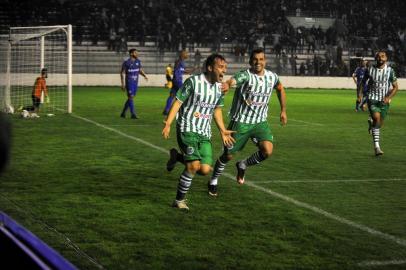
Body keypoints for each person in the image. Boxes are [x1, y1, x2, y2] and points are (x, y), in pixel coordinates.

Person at [208, 48, 287, 196]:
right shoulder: (246, 75)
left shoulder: (272, 77)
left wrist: (283, 110)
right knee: (228, 156)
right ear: (251, 61)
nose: (258, 62)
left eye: (261, 59)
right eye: (255, 59)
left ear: (265, 61)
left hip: (260, 123)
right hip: (240, 122)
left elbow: (280, 89)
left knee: (267, 150)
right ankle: (213, 180)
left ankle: (243, 164)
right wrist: (227, 84)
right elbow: (234, 80)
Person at [162, 53, 235, 210]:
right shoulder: (194, 82)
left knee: (205, 169)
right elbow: (178, 101)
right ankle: (179, 200)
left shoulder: (219, 88)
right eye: (221, 67)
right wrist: (168, 122)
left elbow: (217, 110)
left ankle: (177, 157)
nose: (224, 70)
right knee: (193, 166)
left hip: (204, 133)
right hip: (187, 128)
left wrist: (222, 130)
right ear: (210, 68)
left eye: (225, 68)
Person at [361, 50, 399, 156]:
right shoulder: (370, 69)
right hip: (372, 98)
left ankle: (371, 124)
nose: (380, 58)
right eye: (378, 56)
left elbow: (396, 87)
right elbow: (363, 82)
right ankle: (377, 147)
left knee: (379, 124)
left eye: (382, 56)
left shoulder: (390, 71)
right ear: (375, 58)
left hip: (384, 101)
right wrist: (360, 96)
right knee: (377, 119)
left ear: (386, 58)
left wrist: (388, 97)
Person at [162, 49, 193, 115]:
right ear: (182, 54)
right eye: (186, 53)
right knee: (185, 94)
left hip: (176, 80)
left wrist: (188, 71)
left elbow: (180, 70)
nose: (187, 55)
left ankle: (166, 110)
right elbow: (176, 70)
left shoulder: (181, 62)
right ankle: (185, 110)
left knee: (172, 96)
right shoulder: (179, 61)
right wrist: (176, 78)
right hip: (178, 80)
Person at [120, 48, 148, 119]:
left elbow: (139, 70)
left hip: (135, 83)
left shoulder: (138, 61)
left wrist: (144, 75)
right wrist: (123, 84)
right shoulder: (126, 63)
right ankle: (133, 114)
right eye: (135, 53)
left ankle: (123, 113)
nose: (137, 54)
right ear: (131, 54)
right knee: (131, 97)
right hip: (129, 82)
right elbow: (122, 73)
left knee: (130, 98)